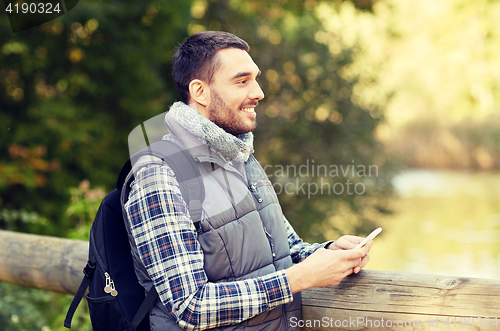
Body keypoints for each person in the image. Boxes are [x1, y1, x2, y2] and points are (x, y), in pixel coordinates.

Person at [124, 31, 373, 331]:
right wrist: (300, 277)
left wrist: (328, 254)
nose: (259, 92)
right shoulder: (160, 175)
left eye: (255, 78)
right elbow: (191, 306)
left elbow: (284, 251)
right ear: (199, 92)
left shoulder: (240, 154)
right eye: (242, 81)